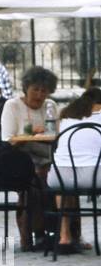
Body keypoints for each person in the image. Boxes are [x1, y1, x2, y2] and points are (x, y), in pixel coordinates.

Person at [0, 66, 59, 252]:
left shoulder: (51, 107)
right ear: (26, 88)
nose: (40, 94)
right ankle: (36, 234)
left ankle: (65, 233)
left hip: (46, 158)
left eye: (44, 90)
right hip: (18, 159)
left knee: (60, 179)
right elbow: (8, 141)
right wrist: (30, 133)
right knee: (34, 181)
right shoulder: (12, 105)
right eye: (36, 89)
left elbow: (56, 136)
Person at [48, 86, 101, 254]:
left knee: (64, 185)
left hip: (59, 177)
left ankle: (65, 236)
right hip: (94, 176)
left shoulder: (65, 118)